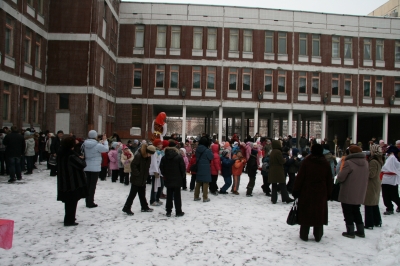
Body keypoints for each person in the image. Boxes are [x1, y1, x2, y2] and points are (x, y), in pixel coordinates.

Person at [292, 144, 332, 242]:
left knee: (306, 211)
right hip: (321, 191)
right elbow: (329, 180)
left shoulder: (307, 162)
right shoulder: (325, 163)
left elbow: (300, 177)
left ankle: (304, 234)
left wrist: (296, 190)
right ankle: (318, 234)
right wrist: (329, 193)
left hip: (307, 190)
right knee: (319, 212)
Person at [337, 145, 369, 238]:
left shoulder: (349, 163)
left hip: (348, 191)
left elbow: (341, 177)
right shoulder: (366, 163)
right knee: (356, 210)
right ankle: (360, 230)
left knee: (347, 211)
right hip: (360, 191)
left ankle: (350, 231)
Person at [56, 136, 88, 226]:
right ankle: (69, 219)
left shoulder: (61, 153)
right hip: (72, 182)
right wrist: (82, 159)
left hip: (64, 181)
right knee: (72, 201)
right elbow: (81, 164)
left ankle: (69, 217)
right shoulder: (71, 156)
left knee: (68, 201)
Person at [122, 144, 155, 215]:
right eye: (150, 154)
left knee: (142, 194)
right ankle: (127, 207)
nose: (150, 155)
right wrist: (138, 174)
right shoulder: (139, 155)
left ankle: (144, 207)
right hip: (136, 178)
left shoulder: (148, 157)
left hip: (142, 178)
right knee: (132, 194)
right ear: (147, 151)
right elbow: (133, 165)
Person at [82, 130, 109, 208]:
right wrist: (105, 141)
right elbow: (106, 149)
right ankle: (90, 201)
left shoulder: (85, 143)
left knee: (88, 183)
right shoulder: (97, 145)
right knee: (92, 185)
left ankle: (87, 200)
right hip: (95, 166)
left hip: (87, 165)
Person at [160, 144, 186, 217]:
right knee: (177, 196)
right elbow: (182, 168)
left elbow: (161, 168)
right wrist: (182, 176)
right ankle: (178, 211)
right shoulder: (179, 157)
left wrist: (165, 175)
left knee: (169, 196)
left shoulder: (164, 158)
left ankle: (168, 211)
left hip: (168, 179)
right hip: (177, 179)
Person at [364, 144, 383, 229]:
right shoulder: (379, 160)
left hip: (371, 184)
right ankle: (377, 220)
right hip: (376, 183)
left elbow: (371, 174)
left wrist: (364, 171)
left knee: (368, 203)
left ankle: (369, 223)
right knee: (374, 203)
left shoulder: (373, 162)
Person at [380, 145, 400, 215]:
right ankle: (390, 208)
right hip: (387, 178)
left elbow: (396, 167)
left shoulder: (392, 158)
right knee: (388, 195)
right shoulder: (390, 157)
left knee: (391, 195)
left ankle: (390, 208)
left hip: (391, 179)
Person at [193, 137, 213, 202]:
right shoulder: (207, 150)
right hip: (206, 167)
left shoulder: (198, 149)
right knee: (205, 182)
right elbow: (211, 157)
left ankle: (196, 196)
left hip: (199, 166)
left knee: (198, 182)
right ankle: (205, 197)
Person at [149, 139, 164, 206]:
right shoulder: (154, 152)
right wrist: (155, 171)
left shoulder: (159, 152)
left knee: (161, 185)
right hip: (156, 172)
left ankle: (157, 198)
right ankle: (153, 200)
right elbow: (154, 162)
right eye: (160, 144)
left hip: (160, 172)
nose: (161, 145)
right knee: (155, 186)